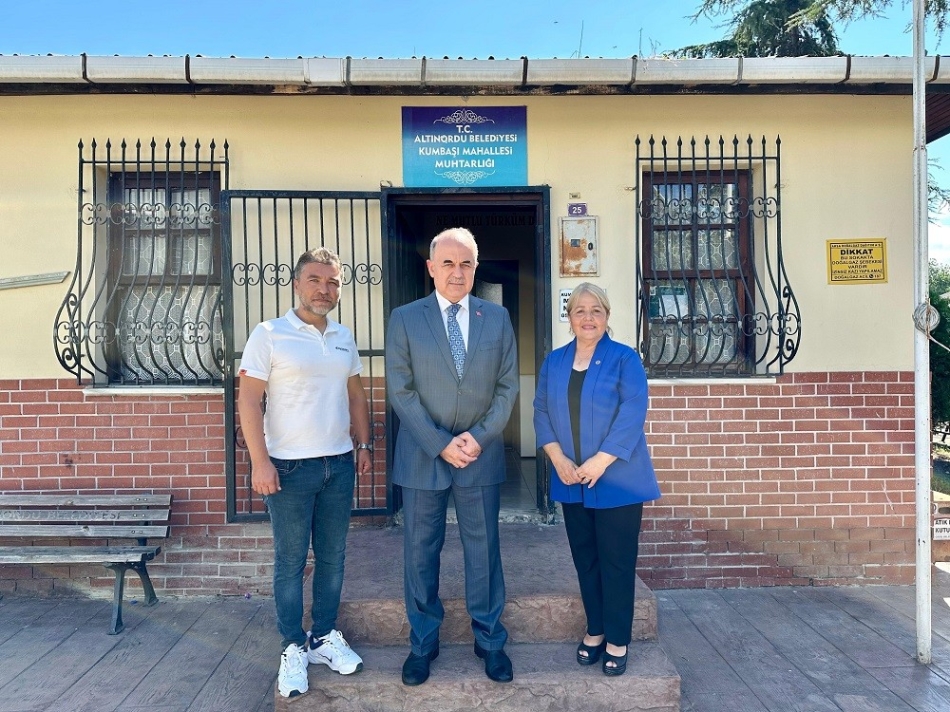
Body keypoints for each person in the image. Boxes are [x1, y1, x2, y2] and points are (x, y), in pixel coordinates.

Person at [386, 227, 519, 686]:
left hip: (481, 454)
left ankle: (490, 641)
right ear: (431, 268)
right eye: (447, 263)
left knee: (484, 552)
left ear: (476, 268)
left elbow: (507, 388)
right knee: (420, 553)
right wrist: (441, 442)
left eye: (465, 263)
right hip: (423, 455)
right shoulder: (405, 318)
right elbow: (400, 390)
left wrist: (478, 438)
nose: (457, 272)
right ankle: (423, 643)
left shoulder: (496, 317)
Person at [237, 247, 372, 699]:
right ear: (297, 284)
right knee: (291, 562)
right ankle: (293, 646)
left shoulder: (343, 337)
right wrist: (260, 461)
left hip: (339, 464)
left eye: (333, 282)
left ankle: (324, 636)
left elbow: (356, 394)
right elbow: (249, 400)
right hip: (289, 469)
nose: (324, 289)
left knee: (333, 558)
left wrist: (364, 444)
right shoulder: (269, 334)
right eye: (315, 280)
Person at [532, 282, 660, 677]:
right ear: (569, 318)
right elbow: (541, 411)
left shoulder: (624, 359)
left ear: (606, 316)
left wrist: (600, 462)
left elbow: (633, 412)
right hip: (571, 478)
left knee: (616, 563)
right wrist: (558, 459)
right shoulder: (554, 362)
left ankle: (618, 639)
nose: (588, 318)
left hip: (617, 478)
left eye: (596, 311)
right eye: (580, 311)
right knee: (586, 560)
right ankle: (596, 629)